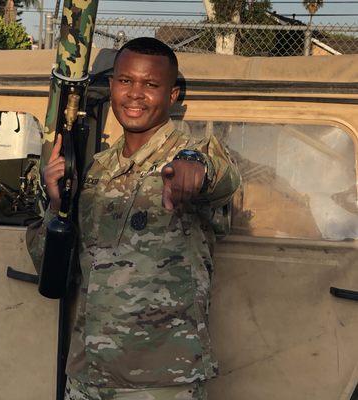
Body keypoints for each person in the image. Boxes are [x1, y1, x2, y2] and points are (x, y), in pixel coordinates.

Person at [27, 37, 241, 400]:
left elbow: (221, 176)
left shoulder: (191, 154)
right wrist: (55, 204)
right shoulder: (95, 169)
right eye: (125, 81)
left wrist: (196, 170)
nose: (135, 94)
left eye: (151, 85)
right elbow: (50, 266)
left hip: (162, 380)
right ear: (112, 86)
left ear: (172, 96)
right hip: (88, 373)